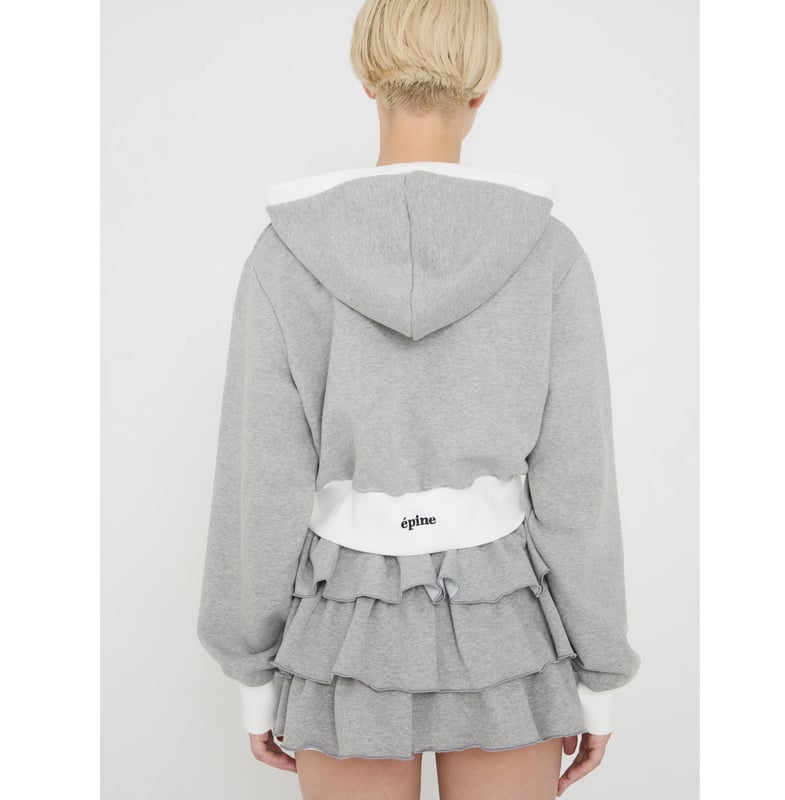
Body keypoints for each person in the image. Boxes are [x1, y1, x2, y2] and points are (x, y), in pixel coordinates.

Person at [196, 1, 642, 798]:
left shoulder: (283, 258)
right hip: (505, 621)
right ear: (481, 88)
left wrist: (252, 671)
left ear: (369, 80)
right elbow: (578, 487)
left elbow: (259, 483)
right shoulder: (548, 254)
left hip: (346, 627)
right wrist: (600, 673)